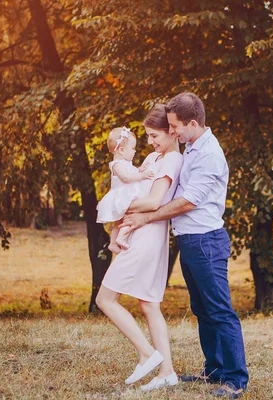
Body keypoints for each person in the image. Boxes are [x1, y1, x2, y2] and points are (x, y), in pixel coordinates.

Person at [121, 92, 249, 398]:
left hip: (206, 241)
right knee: (202, 309)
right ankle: (214, 369)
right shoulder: (192, 146)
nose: (172, 132)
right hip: (191, 241)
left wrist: (146, 218)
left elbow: (188, 201)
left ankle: (235, 380)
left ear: (192, 123)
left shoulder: (209, 155)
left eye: (176, 126)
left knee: (220, 310)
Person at [95, 104, 184, 391]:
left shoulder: (171, 161)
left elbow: (154, 202)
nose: (151, 142)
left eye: (155, 135)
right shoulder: (153, 157)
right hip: (140, 231)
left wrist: (114, 206)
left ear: (172, 132)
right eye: (147, 136)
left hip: (146, 233)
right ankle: (167, 372)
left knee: (105, 299)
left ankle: (147, 353)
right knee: (148, 304)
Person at [96, 126, 154, 253]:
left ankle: (113, 243)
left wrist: (140, 169)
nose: (134, 151)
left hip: (126, 193)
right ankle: (121, 238)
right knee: (128, 216)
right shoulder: (117, 164)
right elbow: (126, 178)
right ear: (121, 150)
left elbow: (132, 171)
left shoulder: (125, 163)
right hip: (122, 195)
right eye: (132, 148)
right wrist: (142, 176)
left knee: (120, 221)